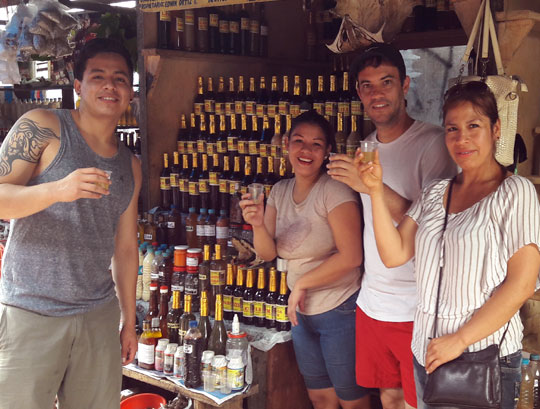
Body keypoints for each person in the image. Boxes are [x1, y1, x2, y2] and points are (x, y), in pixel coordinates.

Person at [356, 80, 540, 408]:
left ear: (496, 129)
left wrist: (460, 340)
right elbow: (394, 253)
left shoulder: (514, 192)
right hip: (427, 352)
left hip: (483, 357)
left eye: (474, 126)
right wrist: (373, 189)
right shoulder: (435, 192)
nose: (462, 138)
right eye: (452, 128)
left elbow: (522, 284)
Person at [0, 38, 142, 409]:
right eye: (98, 77)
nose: (110, 86)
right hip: (31, 312)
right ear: (78, 86)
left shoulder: (130, 166)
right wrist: (57, 190)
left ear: (130, 91)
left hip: (97, 316)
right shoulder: (43, 127)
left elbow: (126, 249)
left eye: (120, 79)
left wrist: (129, 320)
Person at [327, 43, 457, 409]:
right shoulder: (365, 148)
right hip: (372, 302)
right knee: (388, 396)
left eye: (386, 82)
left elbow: (432, 221)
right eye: (367, 85)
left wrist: (371, 187)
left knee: (419, 402)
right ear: (358, 93)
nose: (376, 93)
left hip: (416, 305)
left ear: (405, 85)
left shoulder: (432, 144)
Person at [240, 110, 370, 409]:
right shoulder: (280, 191)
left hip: (339, 308)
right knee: (320, 397)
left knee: (352, 400)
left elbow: (351, 257)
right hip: (301, 312)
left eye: (316, 144)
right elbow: (268, 253)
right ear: (286, 144)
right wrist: (258, 224)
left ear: (326, 152)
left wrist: (302, 285)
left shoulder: (334, 190)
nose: (306, 150)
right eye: (299, 141)